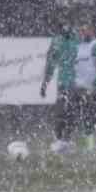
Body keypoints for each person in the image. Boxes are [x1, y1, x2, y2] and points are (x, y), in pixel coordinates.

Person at [66, 21, 96, 152]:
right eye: (81, 30)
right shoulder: (78, 46)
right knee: (79, 115)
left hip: (93, 87)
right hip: (79, 87)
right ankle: (89, 145)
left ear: (92, 31)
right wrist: (74, 82)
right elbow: (74, 67)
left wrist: (95, 84)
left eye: (85, 30)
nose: (82, 33)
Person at [38, 21, 78, 152]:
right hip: (63, 82)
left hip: (78, 82)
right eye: (63, 26)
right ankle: (60, 140)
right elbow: (50, 64)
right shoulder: (57, 42)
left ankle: (67, 140)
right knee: (61, 111)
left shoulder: (77, 39)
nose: (66, 28)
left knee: (73, 112)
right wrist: (45, 83)